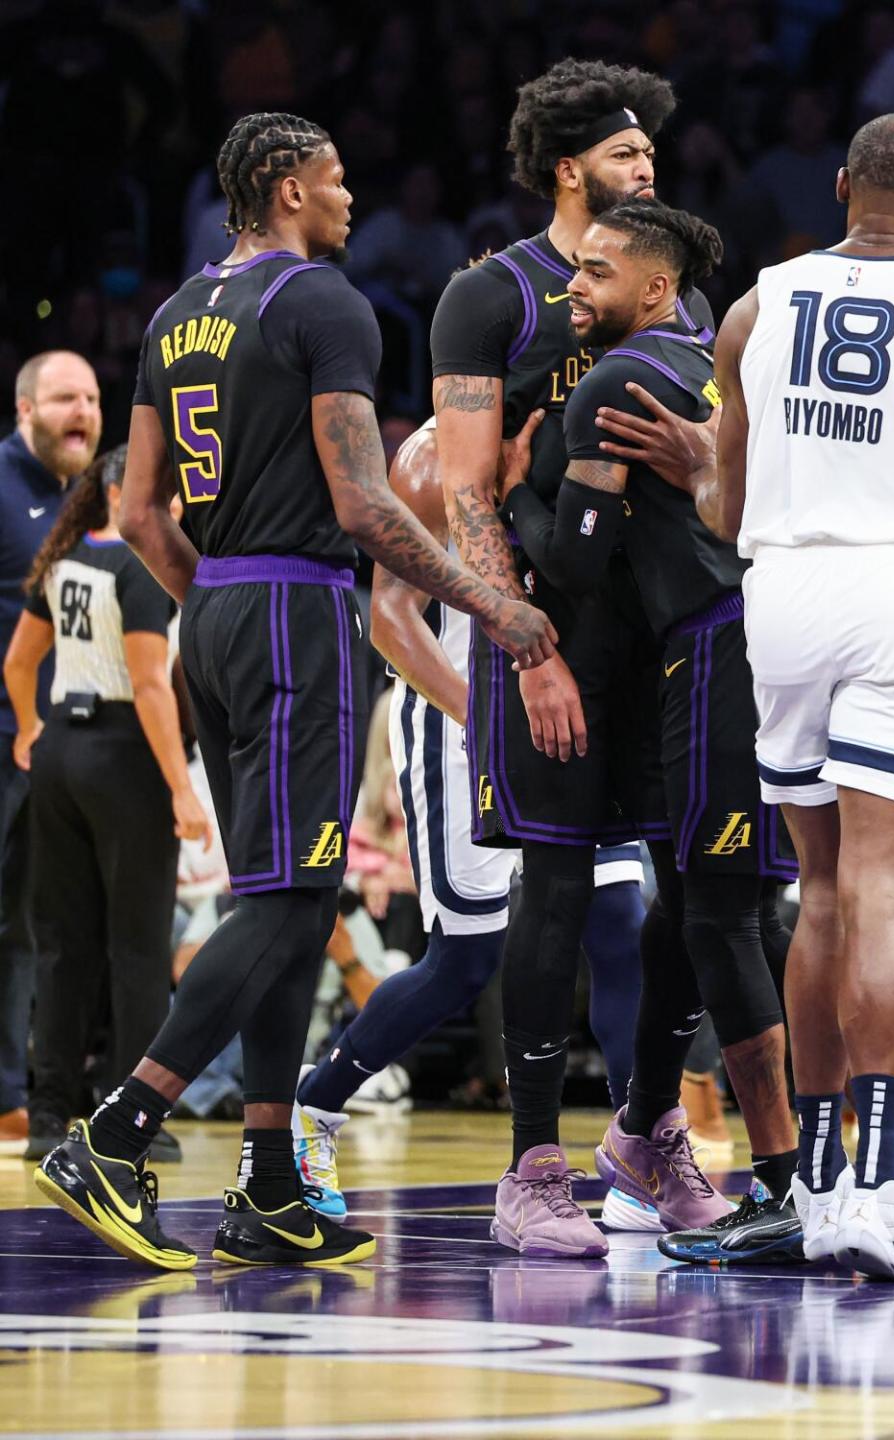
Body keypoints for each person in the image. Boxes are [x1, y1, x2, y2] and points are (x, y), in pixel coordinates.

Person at [35, 110, 556, 1274]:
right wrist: (497, 608)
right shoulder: (324, 304)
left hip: (216, 605)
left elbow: (137, 514)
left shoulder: (174, 314)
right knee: (286, 901)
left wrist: (213, 593)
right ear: (282, 190)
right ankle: (117, 1132)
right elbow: (369, 508)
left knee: (293, 896)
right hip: (288, 612)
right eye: (331, 181)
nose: (349, 199)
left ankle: (269, 1183)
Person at [431, 58, 729, 1258]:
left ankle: (649, 1134)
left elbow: (713, 452)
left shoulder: (671, 297)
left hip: (660, 635)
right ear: (569, 167)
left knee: (689, 888)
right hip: (547, 630)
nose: (646, 164)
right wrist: (524, 638)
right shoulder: (488, 298)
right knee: (552, 892)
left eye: (652, 151)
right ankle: (531, 1171)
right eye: (624, 152)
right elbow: (462, 491)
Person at [657, 113, 894, 1281]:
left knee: (820, 890)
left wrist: (699, 469)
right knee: (883, 891)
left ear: (841, 190)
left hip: (779, 598)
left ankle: (822, 1185)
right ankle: (881, 1187)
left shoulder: (752, 308)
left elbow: (724, 515)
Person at [498, 196, 801, 1247]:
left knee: (723, 914)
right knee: (725, 903)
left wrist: (509, 501)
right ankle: (646, 1132)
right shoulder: (715, 362)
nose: (573, 286)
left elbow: (573, 561)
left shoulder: (622, 379)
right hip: (763, 634)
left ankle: (786, 1174)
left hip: (712, 647)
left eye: (596, 271)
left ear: (657, 286)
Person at [293, 418, 648, 1221]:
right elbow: (388, 618)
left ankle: (640, 1154)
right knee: (464, 961)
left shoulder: (588, 418)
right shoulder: (428, 456)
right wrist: (481, 720)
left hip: (575, 710)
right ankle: (312, 1109)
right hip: (457, 717)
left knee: (621, 921)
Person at [3, 445, 212, 1162]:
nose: (177, 511)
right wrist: (183, 791)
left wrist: (33, 730)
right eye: (171, 497)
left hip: (60, 753)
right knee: (138, 948)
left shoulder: (66, 557)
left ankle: (50, 1116)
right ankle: (132, 1119)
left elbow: (18, 663)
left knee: (63, 945)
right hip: (125, 756)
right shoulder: (140, 562)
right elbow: (153, 686)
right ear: (135, 495)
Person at [0, 351, 101, 1152]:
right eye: (65, 398)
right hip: (6, 733)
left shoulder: (91, 499)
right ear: (24, 406)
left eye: (94, 398)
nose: (83, 411)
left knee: (37, 927)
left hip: (60, 746)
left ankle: (18, 1090)